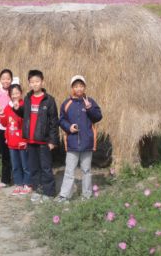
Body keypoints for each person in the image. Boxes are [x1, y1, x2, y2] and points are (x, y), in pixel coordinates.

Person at [13, 70, 59, 202]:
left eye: (37, 81)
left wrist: (52, 141)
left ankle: (49, 193)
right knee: (34, 167)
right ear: (29, 83)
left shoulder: (49, 100)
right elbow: (26, 115)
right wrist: (17, 108)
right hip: (31, 140)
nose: (35, 84)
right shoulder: (27, 99)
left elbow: (54, 122)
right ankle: (38, 191)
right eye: (32, 82)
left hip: (44, 141)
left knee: (45, 167)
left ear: (42, 82)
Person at [55, 75, 102, 203]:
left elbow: (98, 117)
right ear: (72, 88)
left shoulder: (90, 101)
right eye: (76, 86)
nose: (79, 88)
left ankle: (87, 195)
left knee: (86, 170)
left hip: (87, 143)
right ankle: (64, 195)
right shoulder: (66, 103)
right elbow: (61, 120)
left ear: (84, 87)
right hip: (72, 143)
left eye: (81, 86)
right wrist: (69, 127)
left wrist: (89, 108)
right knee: (69, 171)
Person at [0, 81, 32, 196]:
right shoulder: (8, 107)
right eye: (12, 94)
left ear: (21, 93)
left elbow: (26, 123)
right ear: (10, 95)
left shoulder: (24, 105)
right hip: (11, 142)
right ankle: (18, 184)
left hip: (22, 141)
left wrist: (26, 140)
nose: (15, 96)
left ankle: (27, 183)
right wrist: (2, 115)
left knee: (25, 164)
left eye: (17, 93)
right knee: (16, 165)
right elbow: (4, 124)